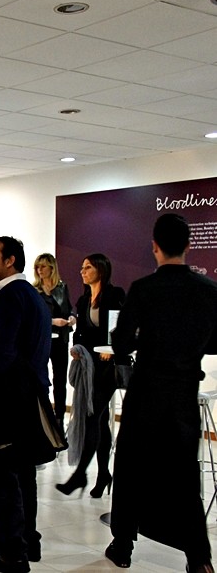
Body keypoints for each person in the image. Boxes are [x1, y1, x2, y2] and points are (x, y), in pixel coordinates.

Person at [105, 213, 217, 572]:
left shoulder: (143, 289)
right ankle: (199, 558)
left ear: (154, 246)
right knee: (185, 477)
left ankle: (122, 546)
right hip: (183, 393)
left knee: (130, 469)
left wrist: (144, 338)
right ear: (188, 245)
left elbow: (121, 343)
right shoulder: (208, 289)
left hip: (145, 393)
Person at [0, 236, 51, 573]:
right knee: (22, 477)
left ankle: (12, 553)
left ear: (10, 261)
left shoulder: (9, 297)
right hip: (26, 400)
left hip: (7, 403)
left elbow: (0, 353)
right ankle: (24, 541)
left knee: (2, 479)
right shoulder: (30, 295)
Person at [56, 253, 124, 499]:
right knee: (100, 420)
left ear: (100, 270)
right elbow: (81, 332)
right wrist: (76, 347)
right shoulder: (84, 299)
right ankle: (103, 474)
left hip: (109, 365)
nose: (82, 271)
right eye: (82, 267)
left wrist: (112, 348)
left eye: (88, 267)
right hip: (89, 366)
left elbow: (121, 327)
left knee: (92, 416)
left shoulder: (115, 295)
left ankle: (80, 473)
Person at [32, 253, 75, 430]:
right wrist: (52, 322)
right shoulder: (34, 290)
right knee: (40, 378)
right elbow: (33, 317)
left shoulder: (62, 288)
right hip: (42, 339)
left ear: (52, 268)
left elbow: (69, 308)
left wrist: (72, 317)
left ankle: (59, 419)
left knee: (60, 379)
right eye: (37, 267)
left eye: (43, 266)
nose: (39, 270)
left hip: (61, 340)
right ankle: (42, 417)